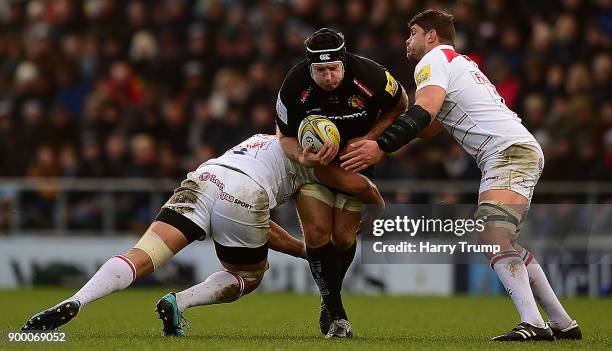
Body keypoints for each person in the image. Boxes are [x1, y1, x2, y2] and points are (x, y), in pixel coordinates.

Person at [340, 9, 582, 342]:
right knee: (503, 240)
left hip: (508, 153)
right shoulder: (460, 63)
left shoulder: (432, 61)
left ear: (431, 36)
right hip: (513, 151)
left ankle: (535, 324)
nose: (406, 40)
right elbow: (429, 125)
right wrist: (392, 121)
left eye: (412, 32)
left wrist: (380, 146)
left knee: (491, 235)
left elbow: (425, 112)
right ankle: (561, 322)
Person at [21, 134, 384, 336]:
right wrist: (373, 201)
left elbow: (262, 227)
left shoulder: (264, 139)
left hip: (205, 176)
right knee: (249, 276)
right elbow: (360, 188)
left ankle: (76, 300)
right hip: (245, 193)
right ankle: (180, 302)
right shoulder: (319, 162)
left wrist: (303, 249)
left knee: (143, 255)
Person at [275, 27, 407, 338]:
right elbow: (284, 135)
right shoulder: (294, 85)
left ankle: (329, 297)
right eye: (320, 70)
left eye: (333, 68)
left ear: (344, 62)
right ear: (310, 67)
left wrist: (370, 140)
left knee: (345, 237)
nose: (329, 76)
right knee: (319, 233)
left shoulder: (370, 75)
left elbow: (400, 104)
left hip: (355, 162)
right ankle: (336, 312)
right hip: (315, 167)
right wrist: (303, 158)